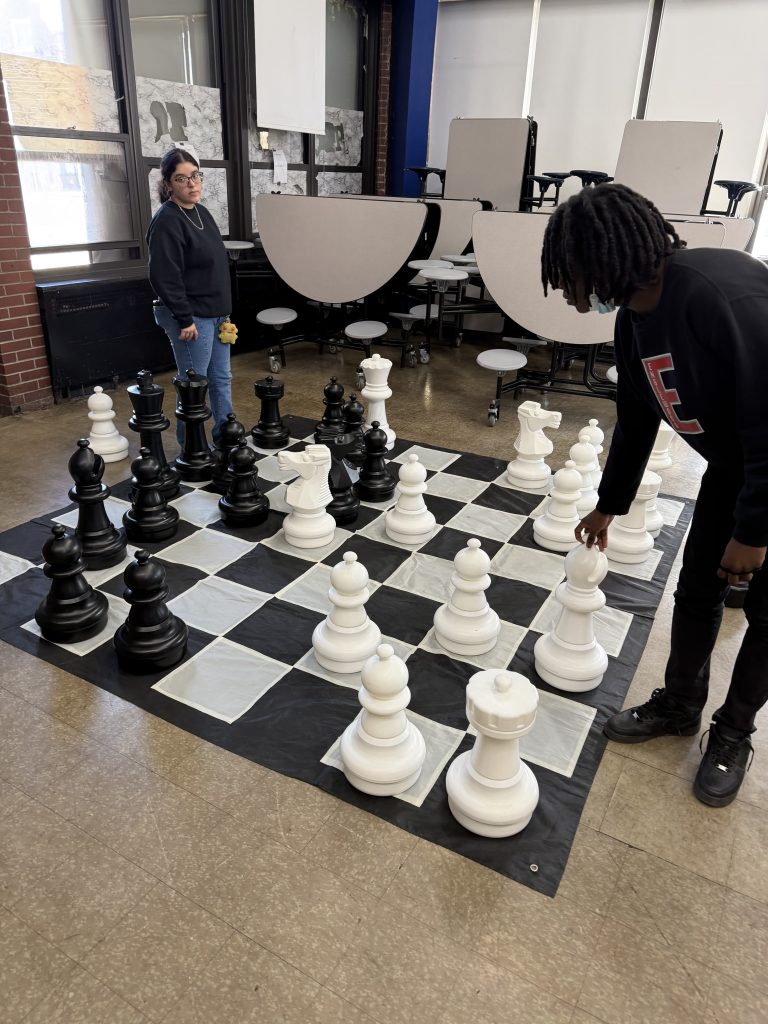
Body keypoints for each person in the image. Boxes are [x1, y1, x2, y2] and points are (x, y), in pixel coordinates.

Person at [541, 183, 768, 807]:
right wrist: (608, 503)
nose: (568, 290)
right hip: (735, 466)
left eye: (571, 273)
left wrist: (753, 531)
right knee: (697, 588)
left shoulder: (717, 294)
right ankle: (681, 704)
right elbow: (638, 418)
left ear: (603, 257)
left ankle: (734, 733)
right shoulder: (634, 319)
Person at [147, 148, 234, 443]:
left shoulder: (200, 211)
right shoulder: (167, 220)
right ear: (168, 184)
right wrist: (184, 319)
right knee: (194, 386)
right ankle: (192, 450)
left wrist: (224, 311)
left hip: (216, 314)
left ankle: (226, 438)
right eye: (182, 178)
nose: (192, 184)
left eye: (195, 176)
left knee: (221, 380)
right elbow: (163, 276)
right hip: (191, 318)